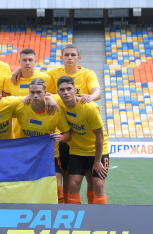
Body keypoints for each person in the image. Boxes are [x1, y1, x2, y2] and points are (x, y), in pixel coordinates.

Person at [13, 43, 102, 203]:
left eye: (73, 55)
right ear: (61, 58)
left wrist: (91, 97)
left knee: (90, 178)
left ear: (78, 58)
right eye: (66, 55)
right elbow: (37, 82)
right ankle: (65, 207)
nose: (69, 58)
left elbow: (97, 91)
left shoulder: (88, 74)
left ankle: (93, 212)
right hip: (62, 129)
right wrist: (21, 70)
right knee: (67, 175)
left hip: (81, 131)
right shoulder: (53, 73)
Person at [12, 78, 71, 203]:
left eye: (39, 92)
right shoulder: (21, 108)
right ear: (28, 93)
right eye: (32, 92)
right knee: (26, 186)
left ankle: (59, 213)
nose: (35, 96)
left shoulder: (54, 110)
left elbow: (68, 134)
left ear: (45, 93)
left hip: (50, 155)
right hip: (27, 155)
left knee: (57, 187)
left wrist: (62, 137)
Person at [56, 76, 109, 204]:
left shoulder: (89, 108)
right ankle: (75, 220)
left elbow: (100, 136)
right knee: (73, 184)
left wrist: (97, 162)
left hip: (97, 150)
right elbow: (42, 94)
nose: (66, 92)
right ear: (58, 92)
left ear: (75, 90)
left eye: (69, 89)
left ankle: (98, 217)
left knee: (98, 185)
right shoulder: (58, 101)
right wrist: (50, 100)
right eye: (62, 90)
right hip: (77, 150)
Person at [3, 48, 55, 138]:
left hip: (40, 130)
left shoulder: (46, 79)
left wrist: (48, 97)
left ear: (35, 61)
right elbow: (5, 102)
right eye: (24, 60)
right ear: (19, 61)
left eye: (30, 60)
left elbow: (55, 97)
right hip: (17, 131)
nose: (27, 63)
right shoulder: (9, 80)